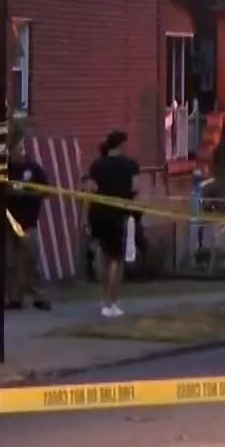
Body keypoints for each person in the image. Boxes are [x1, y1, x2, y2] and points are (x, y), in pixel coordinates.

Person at [86, 130, 140, 318]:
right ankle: (112, 303)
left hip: (98, 214)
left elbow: (90, 191)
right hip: (118, 215)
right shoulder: (131, 166)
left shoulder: (97, 165)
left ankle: (103, 298)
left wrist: (85, 218)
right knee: (117, 259)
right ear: (121, 145)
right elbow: (135, 189)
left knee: (104, 256)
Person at [4, 127, 52, 311]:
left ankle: (38, 296)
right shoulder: (4, 170)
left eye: (22, 147)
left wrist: (28, 191)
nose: (20, 150)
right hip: (8, 222)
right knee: (10, 262)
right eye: (17, 147)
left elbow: (46, 191)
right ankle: (14, 297)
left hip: (28, 222)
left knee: (31, 259)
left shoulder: (33, 169)